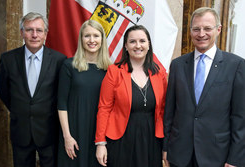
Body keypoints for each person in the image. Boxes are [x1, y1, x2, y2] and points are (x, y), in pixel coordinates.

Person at [163, 7, 245, 167]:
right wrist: (166, 147)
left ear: (218, 29)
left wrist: (235, 158)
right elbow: (170, 111)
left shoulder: (236, 65)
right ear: (190, 31)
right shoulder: (178, 65)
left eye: (207, 28)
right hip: (179, 154)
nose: (201, 34)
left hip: (216, 155)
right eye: (196, 29)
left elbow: (240, 117)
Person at [0, 12, 66, 167]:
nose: (34, 35)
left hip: (49, 131)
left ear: (46, 34)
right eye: (29, 30)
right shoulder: (8, 59)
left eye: (39, 30)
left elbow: (61, 95)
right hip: (20, 130)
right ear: (22, 33)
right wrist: (20, 109)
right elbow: (3, 92)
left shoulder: (59, 60)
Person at [95, 24, 168, 167]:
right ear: (126, 46)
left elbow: (165, 110)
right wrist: (100, 143)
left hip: (152, 139)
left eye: (142, 41)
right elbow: (104, 108)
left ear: (148, 45)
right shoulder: (114, 71)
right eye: (132, 41)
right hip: (121, 138)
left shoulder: (160, 73)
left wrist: (166, 144)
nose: (138, 45)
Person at [57, 19, 112, 167]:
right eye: (87, 36)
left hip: (100, 134)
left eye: (96, 36)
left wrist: (104, 140)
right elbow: (61, 104)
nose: (92, 40)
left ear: (102, 39)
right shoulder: (69, 65)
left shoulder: (110, 69)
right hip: (74, 131)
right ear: (81, 39)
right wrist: (67, 136)